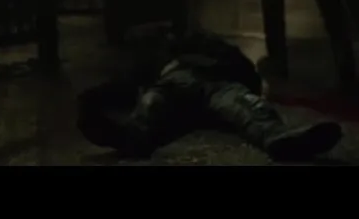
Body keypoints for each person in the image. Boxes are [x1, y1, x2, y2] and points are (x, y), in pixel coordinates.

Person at [76, 24, 343, 161]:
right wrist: (92, 101)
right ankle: (130, 138)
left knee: (247, 107)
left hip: (215, 82)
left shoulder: (199, 45)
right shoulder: (153, 67)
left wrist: (230, 75)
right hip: (176, 88)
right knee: (152, 105)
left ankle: (278, 138)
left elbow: (241, 66)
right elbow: (125, 86)